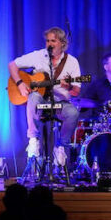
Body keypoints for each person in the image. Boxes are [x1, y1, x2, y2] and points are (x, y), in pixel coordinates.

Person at [8, 27, 81, 169]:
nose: (49, 44)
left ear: (62, 43)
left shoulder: (72, 62)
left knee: (73, 113)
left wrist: (69, 87)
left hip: (60, 102)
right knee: (34, 96)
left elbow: (76, 91)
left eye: (53, 41)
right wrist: (20, 83)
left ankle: (60, 146)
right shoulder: (39, 55)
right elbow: (12, 65)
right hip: (40, 101)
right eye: (47, 41)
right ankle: (33, 139)